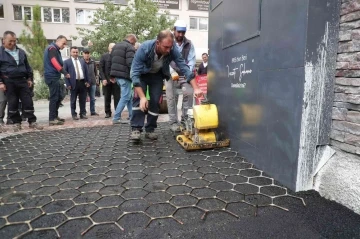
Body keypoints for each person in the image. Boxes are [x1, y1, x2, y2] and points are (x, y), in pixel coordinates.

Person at [130, 30, 202, 140]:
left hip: (157, 75)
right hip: (142, 75)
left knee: (155, 100)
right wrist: (142, 97)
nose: (169, 50)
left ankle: (150, 129)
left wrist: (196, 88)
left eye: (170, 47)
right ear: (158, 43)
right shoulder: (144, 48)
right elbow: (134, 74)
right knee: (138, 100)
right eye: (166, 47)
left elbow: (184, 67)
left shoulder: (172, 49)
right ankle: (136, 129)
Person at [0, 31, 43, 131]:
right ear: (4, 41)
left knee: (28, 101)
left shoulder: (21, 52)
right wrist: (1, 82)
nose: (13, 43)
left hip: (22, 81)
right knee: (13, 102)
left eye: (14, 41)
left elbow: (28, 67)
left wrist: (29, 78)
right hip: (8, 81)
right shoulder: (0, 53)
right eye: (10, 41)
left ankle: (32, 121)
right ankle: (16, 123)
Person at [165, 20, 196, 132]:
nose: (181, 35)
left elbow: (191, 60)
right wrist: (171, 72)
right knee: (171, 97)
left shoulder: (189, 44)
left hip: (184, 74)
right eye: (178, 32)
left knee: (188, 94)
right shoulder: (168, 42)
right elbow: (164, 59)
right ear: (174, 30)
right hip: (170, 74)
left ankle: (185, 120)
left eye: (183, 32)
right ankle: (173, 122)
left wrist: (187, 72)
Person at [111, 34, 137, 124]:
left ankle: (132, 116)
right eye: (134, 43)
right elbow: (131, 62)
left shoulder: (116, 46)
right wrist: (135, 74)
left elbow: (112, 61)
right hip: (125, 75)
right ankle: (116, 117)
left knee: (129, 97)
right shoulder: (129, 47)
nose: (134, 45)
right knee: (126, 96)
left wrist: (112, 75)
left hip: (117, 75)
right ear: (132, 39)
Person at [44, 35, 68, 126]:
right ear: (58, 41)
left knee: (58, 96)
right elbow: (55, 62)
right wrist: (64, 72)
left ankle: (55, 116)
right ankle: (52, 119)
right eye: (63, 43)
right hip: (52, 77)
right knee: (54, 97)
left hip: (55, 76)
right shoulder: (52, 49)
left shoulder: (55, 49)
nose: (64, 46)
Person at [63, 46, 90, 120]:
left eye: (76, 52)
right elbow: (65, 74)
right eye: (73, 52)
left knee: (83, 99)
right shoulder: (67, 62)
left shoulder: (82, 61)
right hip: (73, 83)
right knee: (73, 100)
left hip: (82, 83)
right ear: (71, 53)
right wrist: (68, 84)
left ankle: (83, 113)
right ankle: (74, 114)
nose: (75, 53)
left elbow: (86, 72)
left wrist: (88, 81)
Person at [100, 43, 120, 118]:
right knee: (107, 98)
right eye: (111, 48)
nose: (112, 49)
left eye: (114, 48)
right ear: (108, 48)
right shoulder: (104, 56)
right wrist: (104, 79)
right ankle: (107, 112)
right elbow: (101, 69)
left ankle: (117, 112)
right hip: (107, 81)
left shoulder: (118, 57)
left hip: (116, 80)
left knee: (117, 98)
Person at [83, 49, 99, 116]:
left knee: (92, 98)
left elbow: (95, 72)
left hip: (92, 82)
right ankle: (83, 112)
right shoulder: (81, 62)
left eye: (88, 53)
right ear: (83, 54)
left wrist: (96, 79)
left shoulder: (93, 62)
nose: (87, 55)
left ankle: (92, 111)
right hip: (84, 83)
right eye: (85, 53)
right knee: (83, 98)